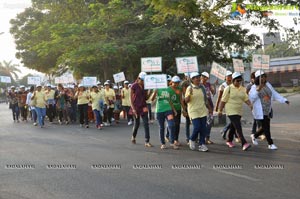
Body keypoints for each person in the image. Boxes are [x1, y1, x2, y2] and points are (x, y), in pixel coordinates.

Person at [249, 70, 290, 150]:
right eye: (261, 77)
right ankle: (270, 144)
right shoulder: (254, 87)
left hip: (268, 109)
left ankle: (254, 136)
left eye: (264, 76)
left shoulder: (268, 85)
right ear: (257, 78)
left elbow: (274, 93)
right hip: (260, 111)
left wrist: (284, 100)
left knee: (265, 127)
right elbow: (251, 99)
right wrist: (257, 90)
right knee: (266, 127)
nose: (263, 78)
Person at [218, 72, 252, 151]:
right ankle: (244, 143)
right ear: (233, 81)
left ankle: (229, 140)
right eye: (237, 81)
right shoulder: (228, 88)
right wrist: (220, 110)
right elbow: (223, 100)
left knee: (233, 126)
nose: (239, 83)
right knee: (238, 126)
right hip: (230, 110)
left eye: (240, 81)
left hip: (239, 110)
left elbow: (246, 98)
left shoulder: (242, 89)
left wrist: (250, 105)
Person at [185, 72, 213, 152]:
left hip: (202, 110)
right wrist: (189, 94)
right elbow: (186, 101)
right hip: (193, 110)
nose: (197, 79)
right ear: (192, 80)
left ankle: (202, 144)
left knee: (203, 128)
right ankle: (192, 139)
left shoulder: (202, 87)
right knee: (197, 127)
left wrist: (210, 108)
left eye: (198, 77)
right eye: (195, 78)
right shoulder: (189, 88)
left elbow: (206, 99)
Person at [151, 80, 179, 150]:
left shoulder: (169, 89)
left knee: (172, 125)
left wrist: (174, 110)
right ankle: (163, 143)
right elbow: (152, 99)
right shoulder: (157, 89)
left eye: (166, 81)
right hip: (160, 111)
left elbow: (169, 100)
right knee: (161, 127)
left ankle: (172, 143)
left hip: (168, 110)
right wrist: (155, 92)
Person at [130, 72, 152, 147]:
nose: (143, 81)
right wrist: (133, 109)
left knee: (146, 123)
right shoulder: (134, 86)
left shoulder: (145, 86)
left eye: (144, 80)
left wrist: (150, 91)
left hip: (143, 107)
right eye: (142, 80)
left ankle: (147, 141)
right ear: (138, 78)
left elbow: (146, 98)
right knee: (137, 124)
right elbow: (131, 99)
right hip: (135, 107)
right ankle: (133, 136)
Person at [165, 76, 184, 146]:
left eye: (177, 83)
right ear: (171, 82)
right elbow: (169, 101)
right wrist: (173, 110)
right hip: (170, 110)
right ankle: (169, 137)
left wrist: (184, 109)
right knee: (171, 124)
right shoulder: (168, 89)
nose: (176, 84)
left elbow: (181, 99)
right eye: (175, 83)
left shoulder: (180, 89)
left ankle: (176, 139)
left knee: (177, 124)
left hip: (178, 109)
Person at [200, 71, 216, 144]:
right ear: (201, 77)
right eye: (204, 77)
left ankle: (207, 138)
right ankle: (200, 137)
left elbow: (213, 93)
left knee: (209, 122)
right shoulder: (199, 85)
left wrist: (214, 87)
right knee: (201, 122)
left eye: (206, 77)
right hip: (201, 104)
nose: (205, 79)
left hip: (209, 103)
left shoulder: (208, 84)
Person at [180, 73, 191, 145]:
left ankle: (193, 137)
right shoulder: (184, 84)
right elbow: (183, 98)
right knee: (187, 122)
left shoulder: (192, 85)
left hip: (192, 106)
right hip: (185, 105)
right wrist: (184, 110)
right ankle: (188, 138)